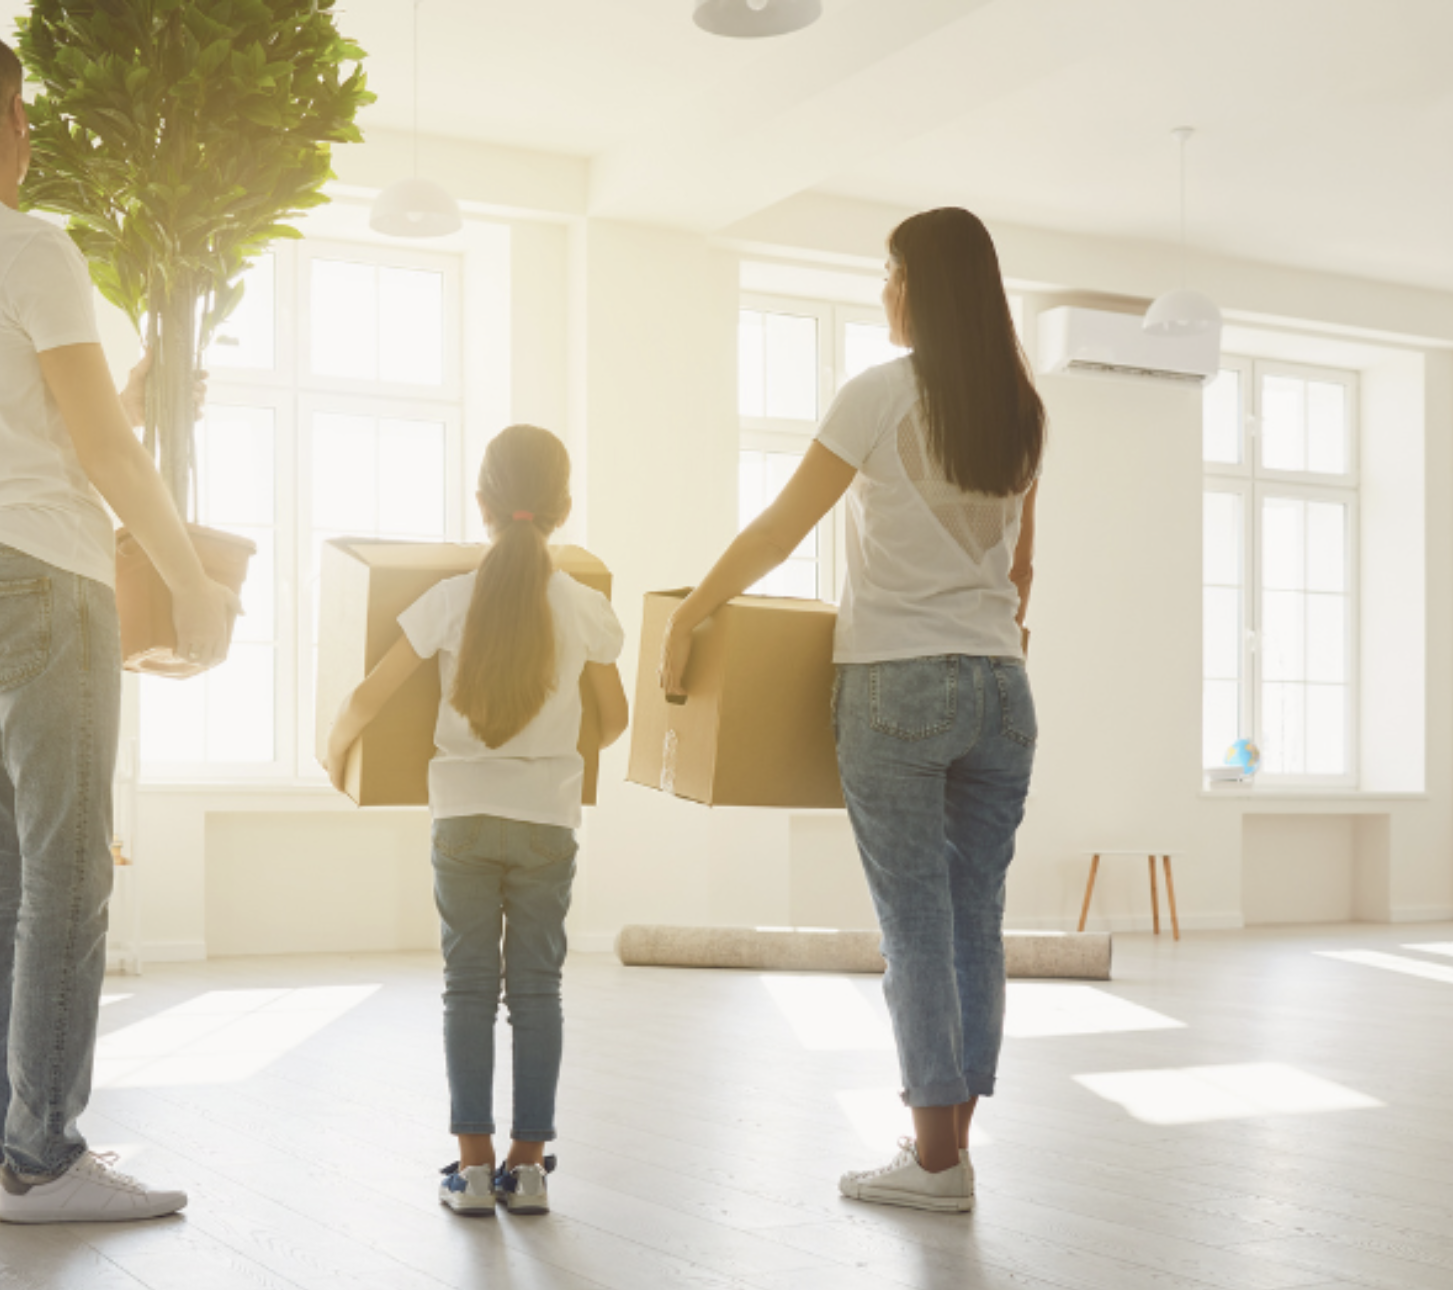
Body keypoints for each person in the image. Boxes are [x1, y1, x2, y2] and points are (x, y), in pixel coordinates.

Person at [0, 24, 237, 1225]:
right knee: (71, 876)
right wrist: (190, 574)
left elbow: (46, 422)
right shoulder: (34, 248)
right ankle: (49, 1158)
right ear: (19, 119)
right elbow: (96, 451)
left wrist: (131, 401)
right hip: (46, 581)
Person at [660, 207, 1043, 1214]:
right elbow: (1023, 569)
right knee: (975, 925)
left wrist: (691, 614)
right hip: (1003, 688)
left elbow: (784, 530)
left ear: (924, 285)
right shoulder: (1019, 407)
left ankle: (933, 1165)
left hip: (898, 684)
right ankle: (946, 1156)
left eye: (890, 272)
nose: (884, 290)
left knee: (915, 926)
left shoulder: (878, 396)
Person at [322, 424, 630, 1218]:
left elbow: (366, 697)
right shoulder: (585, 608)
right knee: (537, 989)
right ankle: (529, 1169)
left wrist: (336, 752)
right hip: (547, 823)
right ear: (562, 507)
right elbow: (616, 719)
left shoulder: (449, 601)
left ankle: (473, 1169)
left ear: (483, 504)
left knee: (467, 989)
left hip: (460, 818)